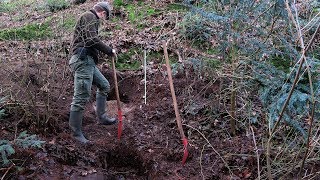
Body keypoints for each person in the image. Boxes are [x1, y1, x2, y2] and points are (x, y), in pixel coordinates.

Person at [68, 1, 117, 144]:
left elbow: (91, 40)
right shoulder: (89, 16)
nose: (103, 19)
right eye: (104, 16)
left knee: (104, 85)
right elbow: (91, 40)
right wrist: (109, 50)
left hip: (88, 61)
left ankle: (101, 117)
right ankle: (76, 134)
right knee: (81, 97)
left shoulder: (90, 18)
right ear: (102, 12)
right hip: (82, 60)